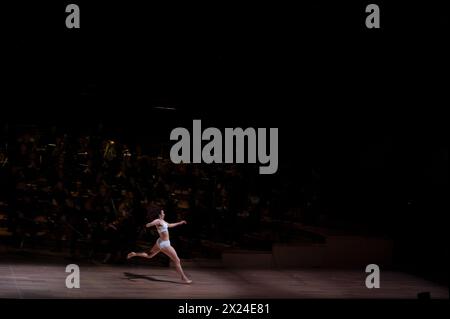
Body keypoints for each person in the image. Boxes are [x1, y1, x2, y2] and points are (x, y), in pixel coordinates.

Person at [127, 209, 192, 284]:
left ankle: (134, 254)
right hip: (165, 244)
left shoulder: (163, 221)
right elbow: (149, 224)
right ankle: (183, 277)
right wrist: (150, 224)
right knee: (177, 260)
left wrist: (180, 222)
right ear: (159, 215)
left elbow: (170, 225)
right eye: (162, 213)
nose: (164, 214)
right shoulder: (158, 221)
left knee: (149, 255)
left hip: (160, 242)